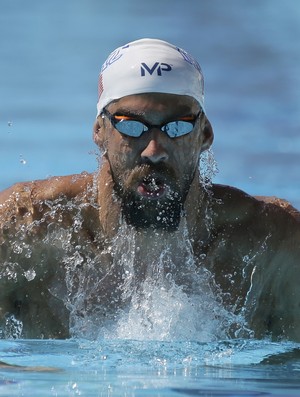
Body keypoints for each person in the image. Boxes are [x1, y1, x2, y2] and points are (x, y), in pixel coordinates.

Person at [0, 38, 299, 340]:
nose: (154, 150)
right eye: (132, 125)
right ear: (99, 132)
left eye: (177, 126)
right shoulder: (25, 225)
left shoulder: (273, 243)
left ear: (205, 134)